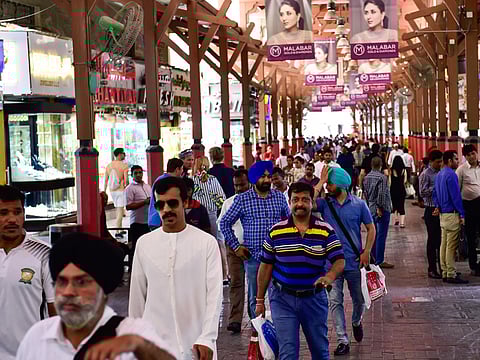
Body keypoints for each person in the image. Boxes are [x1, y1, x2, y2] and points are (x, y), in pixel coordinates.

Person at [17, 232, 177, 360]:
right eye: (62, 281)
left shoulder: (133, 334)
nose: (68, 292)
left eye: (82, 282)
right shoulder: (38, 337)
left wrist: (138, 346)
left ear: (104, 290)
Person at [129, 176, 223, 359]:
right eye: (160, 205)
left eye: (172, 203)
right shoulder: (144, 244)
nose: (166, 210)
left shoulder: (206, 243)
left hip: (196, 346)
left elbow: (215, 295)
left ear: (185, 202)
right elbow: (137, 298)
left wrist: (207, 338)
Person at [256, 182, 345, 359]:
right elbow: (265, 266)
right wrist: (259, 300)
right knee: (287, 353)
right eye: (295, 200)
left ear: (312, 202)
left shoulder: (325, 230)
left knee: (320, 351)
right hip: (282, 300)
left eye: (305, 199)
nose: (300, 204)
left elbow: (339, 260)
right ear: (289, 202)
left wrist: (329, 276)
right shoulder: (276, 231)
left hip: (314, 299)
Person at [313, 167, 376, 356]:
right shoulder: (324, 204)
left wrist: (367, 252)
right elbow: (307, 202)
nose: (327, 186)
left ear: (341, 185)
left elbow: (371, 229)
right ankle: (342, 339)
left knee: (360, 300)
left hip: (354, 262)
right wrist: (321, 180)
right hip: (330, 264)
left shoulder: (359, 205)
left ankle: (356, 321)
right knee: (335, 301)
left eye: (330, 183)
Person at [220, 161, 290, 323]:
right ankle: (257, 330)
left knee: (278, 294)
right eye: (262, 177)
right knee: (254, 296)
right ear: (253, 179)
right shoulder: (243, 199)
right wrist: (236, 247)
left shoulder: (278, 197)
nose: (266, 180)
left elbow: (288, 222)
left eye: (268, 176)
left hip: (277, 256)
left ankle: (277, 327)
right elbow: (224, 223)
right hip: (254, 257)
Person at [0, 185, 56, 360]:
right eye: (3, 213)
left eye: (17, 212)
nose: (12, 219)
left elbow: (56, 312)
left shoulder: (44, 254)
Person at [217, 169, 250, 334]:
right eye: (236, 185)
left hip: (253, 247)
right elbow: (221, 224)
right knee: (236, 282)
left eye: (242, 185)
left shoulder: (257, 200)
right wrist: (234, 245)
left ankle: (256, 317)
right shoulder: (229, 203)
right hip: (234, 247)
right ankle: (235, 320)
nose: (239, 188)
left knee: (256, 283)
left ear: (249, 182)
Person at [433, 150, 468, 284]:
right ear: (449, 161)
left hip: (443, 215)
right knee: (451, 246)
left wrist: (437, 206)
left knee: (444, 244)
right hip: (452, 214)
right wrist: (462, 213)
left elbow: (435, 193)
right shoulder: (451, 175)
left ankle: (445, 270)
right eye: (456, 159)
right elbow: (456, 196)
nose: (458, 162)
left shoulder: (439, 174)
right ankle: (451, 274)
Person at [192, 156, 228, 283]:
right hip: (211, 214)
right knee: (218, 242)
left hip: (196, 215)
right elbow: (221, 199)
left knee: (199, 244)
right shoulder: (213, 179)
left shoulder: (193, 181)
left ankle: (202, 274)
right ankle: (223, 274)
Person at [363, 156, 394, 268]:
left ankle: (373, 257)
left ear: (371, 165)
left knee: (373, 233)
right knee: (381, 235)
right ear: (381, 165)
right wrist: (380, 208)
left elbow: (365, 193)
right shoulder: (382, 178)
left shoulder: (366, 177)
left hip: (370, 206)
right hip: (381, 209)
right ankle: (379, 260)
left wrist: (370, 205)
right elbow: (381, 194)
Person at [456, 144, 480, 276]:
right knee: (471, 237)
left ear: (477, 153)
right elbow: (457, 190)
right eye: (468, 155)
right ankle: (473, 265)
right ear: (465, 157)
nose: (472, 156)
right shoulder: (461, 170)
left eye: (473, 153)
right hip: (469, 206)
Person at [419, 150, 443, 279]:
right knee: (433, 240)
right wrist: (437, 188)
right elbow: (422, 192)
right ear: (431, 161)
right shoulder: (425, 175)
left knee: (441, 240)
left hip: (441, 209)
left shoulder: (441, 172)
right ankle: (432, 268)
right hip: (430, 209)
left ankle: (442, 267)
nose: (440, 164)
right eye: (438, 162)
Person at [125, 165, 152, 270]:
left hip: (148, 222)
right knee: (136, 246)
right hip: (137, 222)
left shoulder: (147, 186)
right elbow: (128, 206)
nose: (138, 175)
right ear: (132, 175)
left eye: (140, 172)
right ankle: (134, 268)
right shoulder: (130, 188)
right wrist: (144, 202)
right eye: (136, 173)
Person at [147, 158, 184, 230]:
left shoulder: (161, 178)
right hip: (160, 220)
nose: (182, 172)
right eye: (181, 169)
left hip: (155, 219)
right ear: (177, 169)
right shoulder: (168, 182)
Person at [104, 148, 129, 239]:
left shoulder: (109, 165)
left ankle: (120, 229)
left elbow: (106, 180)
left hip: (112, 191)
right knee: (119, 211)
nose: (124, 155)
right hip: (120, 190)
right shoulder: (124, 166)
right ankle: (117, 231)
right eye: (123, 153)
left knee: (120, 210)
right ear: (119, 154)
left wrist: (104, 190)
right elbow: (126, 180)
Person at [390, 156, 407, 228]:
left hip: (393, 189)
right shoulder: (404, 170)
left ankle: (396, 219)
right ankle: (402, 223)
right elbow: (405, 181)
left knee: (395, 205)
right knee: (401, 205)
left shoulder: (391, 170)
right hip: (401, 189)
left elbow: (389, 182)